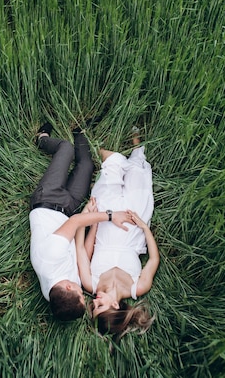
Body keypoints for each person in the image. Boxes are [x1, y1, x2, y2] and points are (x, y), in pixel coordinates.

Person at [29, 121, 133, 321]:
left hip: (48, 200)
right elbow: (80, 251)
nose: (84, 292)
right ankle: (79, 129)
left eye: (80, 294)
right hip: (69, 210)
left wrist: (110, 216)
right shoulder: (58, 295)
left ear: (68, 287)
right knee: (86, 165)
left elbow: (76, 222)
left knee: (65, 149)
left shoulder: (49, 259)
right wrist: (89, 219)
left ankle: (42, 139)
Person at [75, 130, 160, 337]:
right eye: (99, 306)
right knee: (137, 173)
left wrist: (92, 221)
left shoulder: (90, 283)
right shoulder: (137, 288)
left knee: (110, 162)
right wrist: (144, 227)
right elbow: (153, 259)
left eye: (92, 307)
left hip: (104, 223)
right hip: (133, 228)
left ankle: (104, 144)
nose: (93, 302)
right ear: (114, 304)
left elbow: (80, 248)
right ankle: (136, 140)